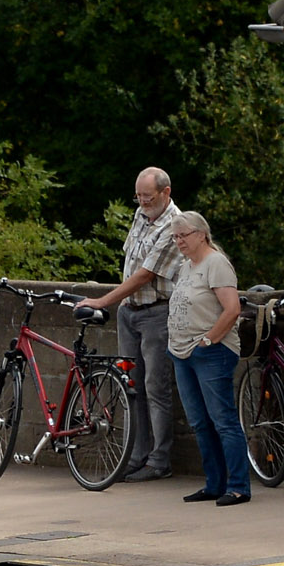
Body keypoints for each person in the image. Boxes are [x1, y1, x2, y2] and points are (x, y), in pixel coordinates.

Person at [84, 169, 184, 482]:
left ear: (166, 193)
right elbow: (130, 265)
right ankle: (136, 455)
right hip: (131, 311)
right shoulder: (142, 215)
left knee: (156, 387)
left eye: (148, 197)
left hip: (157, 314)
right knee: (130, 386)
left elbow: (145, 274)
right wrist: (123, 302)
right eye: (138, 196)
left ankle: (159, 460)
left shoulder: (174, 225)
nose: (142, 202)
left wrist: (103, 301)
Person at [166, 211, 248, 506]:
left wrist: (209, 339)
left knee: (223, 419)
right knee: (200, 421)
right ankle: (214, 483)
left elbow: (232, 309)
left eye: (183, 236)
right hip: (181, 351)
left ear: (201, 234)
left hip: (210, 352)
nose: (179, 242)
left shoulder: (216, 264)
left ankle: (238, 485)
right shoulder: (186, 266)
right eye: (175, 237)